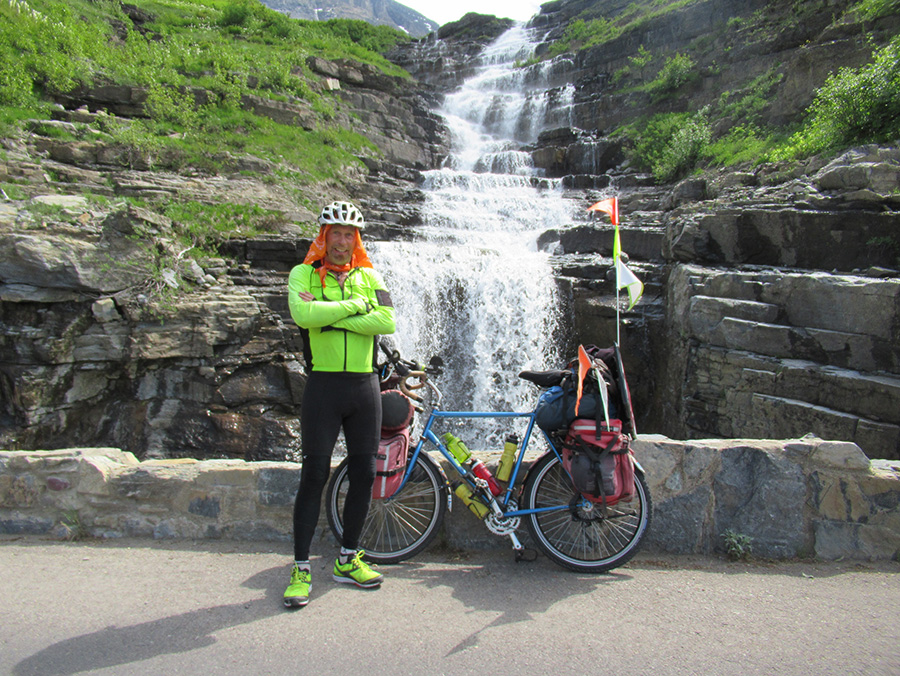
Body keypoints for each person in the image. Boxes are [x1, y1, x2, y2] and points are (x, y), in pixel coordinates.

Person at [283, 201, 396, 609]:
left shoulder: (370, 275)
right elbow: (302, 314)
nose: (342, 241)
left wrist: (329, 317)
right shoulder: (302, 273)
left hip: (365, 387)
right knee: (314, 474)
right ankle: (300, 569)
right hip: (324, 387)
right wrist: (354, 308)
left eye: (349, 234)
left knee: (364, 474)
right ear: (324, 236)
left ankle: (348, 559)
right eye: (336, 233)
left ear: (356, 239)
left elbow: (386, 321)